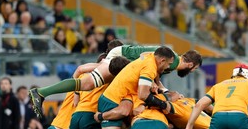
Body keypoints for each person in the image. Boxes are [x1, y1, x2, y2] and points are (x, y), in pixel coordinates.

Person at [28, 41, 202, 118]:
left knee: (97, 85)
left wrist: (159, 87)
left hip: (124, 59)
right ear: (192, 65)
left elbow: (152, 70)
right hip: (119, 56)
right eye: (195, 69)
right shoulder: (169, 59)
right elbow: (146, 58)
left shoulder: (170, 60)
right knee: (88, 83)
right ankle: (41, 92)